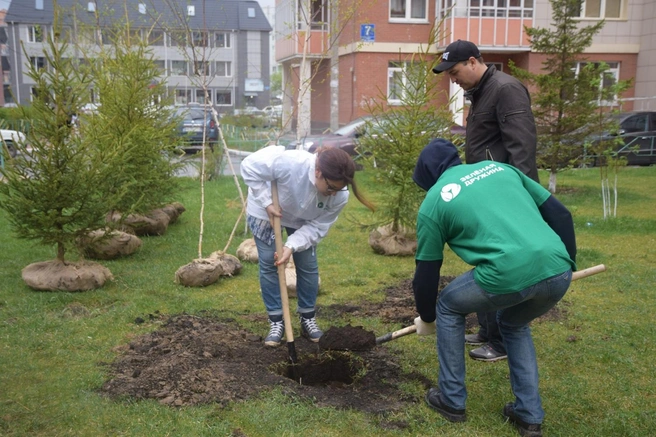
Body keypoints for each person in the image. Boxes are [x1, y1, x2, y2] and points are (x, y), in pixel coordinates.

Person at [411, 139, 576, 437]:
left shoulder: (435, 201)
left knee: (447, 306)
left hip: (507, 274)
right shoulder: (499, 168)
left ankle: (451, 400)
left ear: (426, 177)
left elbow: (427, 271)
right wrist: (567, 264)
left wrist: (427, 316)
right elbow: (562, 215)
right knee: (514, 323)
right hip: (559, 270)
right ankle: (528, 416)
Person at [433, 39, 540, 361]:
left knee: (502, 263)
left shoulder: (505, 89)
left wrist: (521, 194)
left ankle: (501, 341)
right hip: (488, 190)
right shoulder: (481, 92)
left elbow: (522, 145)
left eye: (455, 72)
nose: (453, 79)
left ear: (473, 61)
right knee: (487, 257)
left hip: (506, 193)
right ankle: (486, 329)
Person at [240, 145, 374, 347]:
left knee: (308, 265)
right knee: (269, 261)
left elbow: (318, 227)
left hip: (306, 219)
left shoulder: (339, 195)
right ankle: (277, 321)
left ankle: (307, 318)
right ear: (318, 172)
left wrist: (291, 247)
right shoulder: (290, 163)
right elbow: (249, 166)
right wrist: (267, 202)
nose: (333, 194)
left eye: (338, 189)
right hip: (266, 209)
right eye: (330, 188)